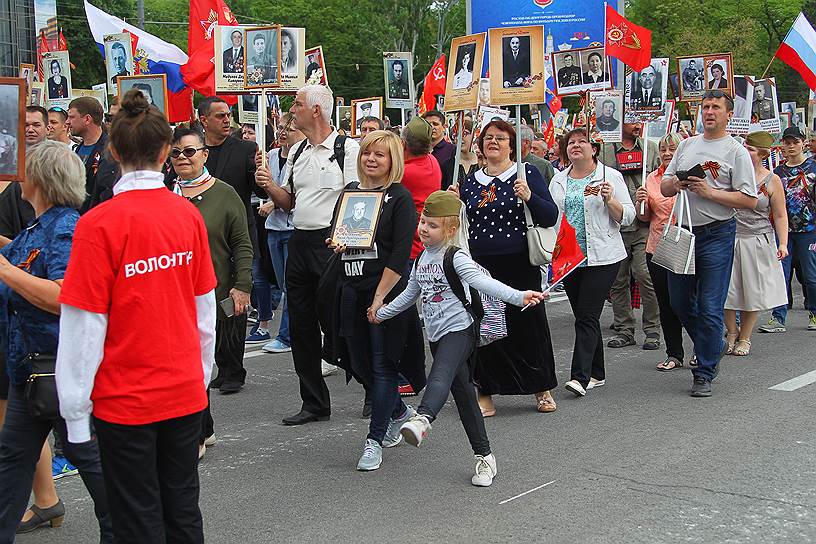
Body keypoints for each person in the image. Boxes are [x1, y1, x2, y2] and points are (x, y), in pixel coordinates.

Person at [56, 89, 217, 543]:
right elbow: (205, 308)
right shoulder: (186, 215)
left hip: (124, 400)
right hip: (183, 390)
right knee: (183, 507)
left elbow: (83, 324)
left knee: (136, 516)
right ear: (166, 151)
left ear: (111, 150)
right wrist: (200, 375)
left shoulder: (98, 224)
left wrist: (74, 407)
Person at [375, 190, 547, 485]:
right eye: (423, 222)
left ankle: (422, 419)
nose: (423, 229)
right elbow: (409, 296)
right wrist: (381, 313)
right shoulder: (421, 260)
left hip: (461, 330)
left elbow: (485, 282)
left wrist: (520, 296)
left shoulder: (456, 258)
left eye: (432, 225)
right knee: (466, 398)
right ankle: (485, 458)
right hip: (437, 334)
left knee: (440, 372)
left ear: (451, 229)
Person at [0, 140, 113, 543]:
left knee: (91, 462)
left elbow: (67, 295)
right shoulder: (36, 226)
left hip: (59, 370)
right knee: (12, 464)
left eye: (26, 171)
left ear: (41, 180)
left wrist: (7, 273)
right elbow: (15, 258)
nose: (19, 179)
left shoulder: (66, 227)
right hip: (28, 371)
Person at [255, 84, 360, 425]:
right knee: (301, 326)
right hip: (299, 241)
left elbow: (358, 200)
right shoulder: (298, 152)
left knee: (341, 324)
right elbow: (289, 202)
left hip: (331, 245)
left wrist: (347, 242)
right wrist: (270, 186)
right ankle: (314, 401)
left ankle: (375, 389)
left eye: (298, 104)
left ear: (315, 111)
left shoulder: (347, 149)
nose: (293, 109)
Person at [324, 130, 419, 470]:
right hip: (350, 288)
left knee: (382, 366)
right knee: (356, 361)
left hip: (386, 291)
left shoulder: (400, 198)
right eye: (367, 153)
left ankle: (374, 440)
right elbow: (339, 233)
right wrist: (336, 243)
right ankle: (398, 410)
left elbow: (399, 254)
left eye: (380, 154)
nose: (371, 160)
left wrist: (380, 298)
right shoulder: (350, 193)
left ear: (393, 160)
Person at [458, 120, 560, 414]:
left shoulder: (525, 173)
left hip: (519, 263)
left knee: (529, 326)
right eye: (488, 138)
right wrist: (453, 201)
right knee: (487, 330)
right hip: (482, 267)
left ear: (512, 145)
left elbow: (550, 215)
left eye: (500, 138)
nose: (493, 142)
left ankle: (541, 387)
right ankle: (486, 390)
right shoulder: (469, 181)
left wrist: (528, 195)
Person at [661, 90, 758, 397]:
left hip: (718, 233)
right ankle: (713, 343)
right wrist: (677, 182)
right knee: (678, 301)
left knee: (710, 306)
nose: (709, 112)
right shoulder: (687, 145)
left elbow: (749, 199)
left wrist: (709, 192)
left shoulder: (736, 151)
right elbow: (664, 185)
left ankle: (704, 371)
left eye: (716, 107)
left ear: (729, 114)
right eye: (705, 107)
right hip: (684, 232)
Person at [170, 125, 252, 456]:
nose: (182, 158)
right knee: (183, 363)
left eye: (189, 151)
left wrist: (242, 285)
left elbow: (241, 243)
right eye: (176, 153)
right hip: (173, 295)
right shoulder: (166, 194)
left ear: (204, 154)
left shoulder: (224, 194)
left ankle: (199, 433)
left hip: (211, 293)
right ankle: (204, 427)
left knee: (197, 361)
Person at [550, 128, 635, 396]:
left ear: (594, 149)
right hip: (570, 258)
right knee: (585, 316)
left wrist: (611, 200)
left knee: (586, 315)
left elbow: (629, 217)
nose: (576, 146)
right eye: (571, 143)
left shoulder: (611, 177)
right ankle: (597, 372)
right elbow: (554, 218)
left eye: (582, 142)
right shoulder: (558, 181)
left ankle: (580, 376)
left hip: (603, 256)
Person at [723, 131, 789, 356]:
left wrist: (783, 244)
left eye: (750, 149)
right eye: (744, 147)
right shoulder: (731, 175)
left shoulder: (772, 180)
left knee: (753, 291)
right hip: (729, 237)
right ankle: (731, 331)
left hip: (758, 240)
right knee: (726, 289)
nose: (745, 151)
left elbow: (780, 215)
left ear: (762, 153)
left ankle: (745, 337)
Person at [598, 123, 661, 350]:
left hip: (643, 224)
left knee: (645, 275)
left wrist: (650, 198)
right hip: (615, 225)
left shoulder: (650, 148)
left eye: (639, 120)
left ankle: (652, 329)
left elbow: (660, 179)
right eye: (632, 120)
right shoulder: (604, 150)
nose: (637, 125)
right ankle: (624, 329)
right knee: (617, 279)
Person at [635, 133, 690, 371]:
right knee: (666, 303)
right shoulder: (652, 178)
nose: (667, 153)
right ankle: (674, 353)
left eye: (672, 149)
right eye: (664, 149)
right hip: (657, 246)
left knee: (686, 302)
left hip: (685, 245)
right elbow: (645, 217)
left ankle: (703, 348)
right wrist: (641, 202)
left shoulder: (689, 174)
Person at [759, 126, 816, 332]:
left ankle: (814, 313)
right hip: (783, 230)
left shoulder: (813, 168)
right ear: (782, 145)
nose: (791, 146)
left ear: (803, 143)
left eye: (795, 142)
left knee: (811, 276)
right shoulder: (778, 172)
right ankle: (778, 317)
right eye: (787, 142)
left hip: (809, 229)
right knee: (780, 275)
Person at [258, 114, 304, 354]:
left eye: (291, 129)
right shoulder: (272, 156)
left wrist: (273, 204)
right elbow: (265, 187)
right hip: (273, 229)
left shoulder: (302, 157)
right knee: (281, 281)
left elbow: (292, 193)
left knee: (290, 285)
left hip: (292, 228)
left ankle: (286, 336)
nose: (284, 133)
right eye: (282, 129)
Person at [67, 97, 120, 211]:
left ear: (87, 119)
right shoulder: (76, 150)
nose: (67, 122)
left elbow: (106, 192)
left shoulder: (110, 151)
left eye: (71, 117)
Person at [441, 117, 478, 190]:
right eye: (456, 135)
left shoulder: (482, 164)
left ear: (473, 135)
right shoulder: (448, 165)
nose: (460, 138)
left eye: (465, 133)